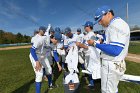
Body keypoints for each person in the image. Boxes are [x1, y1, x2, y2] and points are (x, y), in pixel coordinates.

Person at [87, 5, 130, 93]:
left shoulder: (117, 24)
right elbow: (113, 45)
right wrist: (103, 42)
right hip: (116, 64)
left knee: (108, 91)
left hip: (111, 65)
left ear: (109, 14)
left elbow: (115, 49)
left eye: (100, 20)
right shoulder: (114, 25)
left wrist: (95, 44)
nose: (99, 23)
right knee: (113, 90)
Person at [76, 21, 101, 88]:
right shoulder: (88, 34)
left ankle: (92, 84)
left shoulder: (91, 34)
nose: (84, 27)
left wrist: (79, 44)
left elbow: (88, 46)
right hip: (89, 54)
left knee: (92, 68)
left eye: (85, 26)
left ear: (88, 26)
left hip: (91, 54)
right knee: (90, 68)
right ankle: (93, 82)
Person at [29, 26, 54, 93]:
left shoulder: (45, 38)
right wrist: (37, 61)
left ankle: (50, 85)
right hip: (35, 55)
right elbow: (32, 50)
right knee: (39, 74)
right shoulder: (39, 39)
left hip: (42, 55)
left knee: (49, 69)